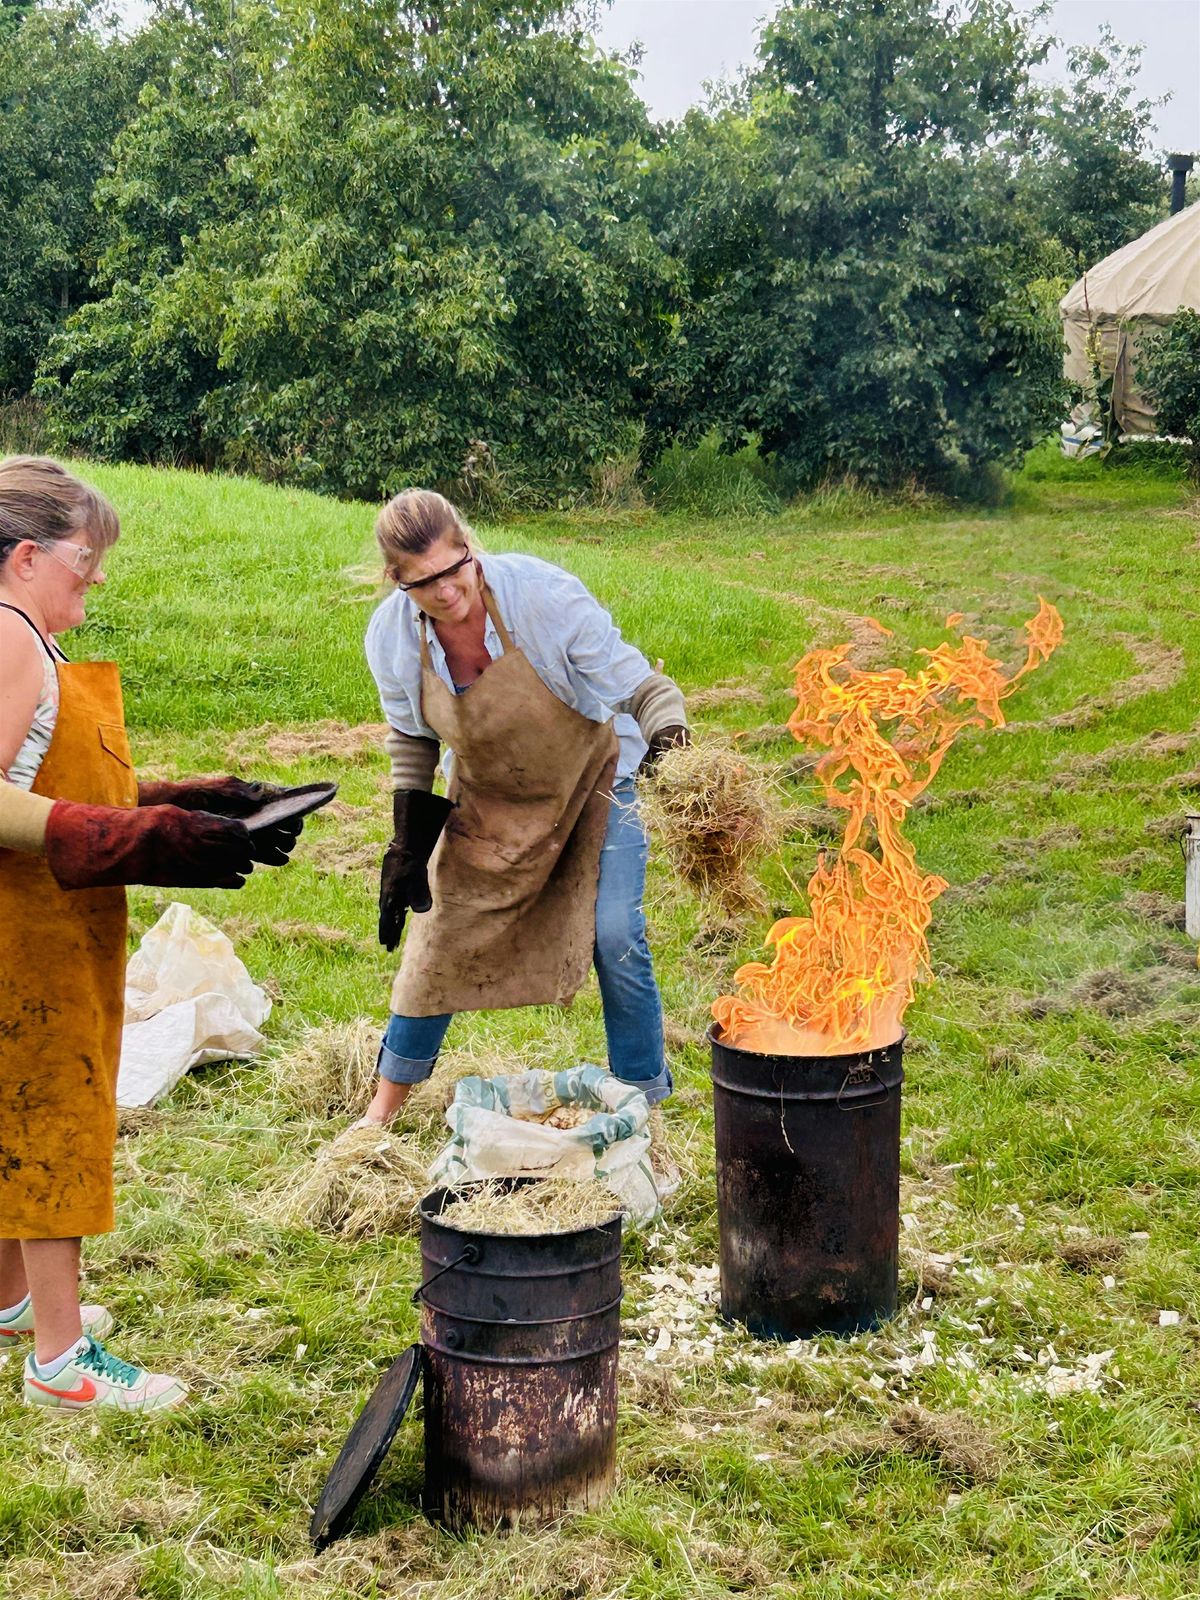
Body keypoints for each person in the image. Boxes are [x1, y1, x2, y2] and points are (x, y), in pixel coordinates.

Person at [0, 455, 303, 1413]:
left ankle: (10, 1302)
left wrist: (187, 802)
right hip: (24, 932)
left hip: (57, 920)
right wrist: (124, 835)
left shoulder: (31, 642)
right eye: (83, 558)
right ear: (25, 557)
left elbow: (56, 774)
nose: (95, 576)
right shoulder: (7, 635)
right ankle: (61, 1364)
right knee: (53, 1120)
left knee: (18, 1111)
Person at [358, 488, 689, 1128]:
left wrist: (669, 734)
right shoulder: (392, 637)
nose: (446, 591)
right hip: (490, 798)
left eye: (454, 569)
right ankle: (380, 1114)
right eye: (423, 582)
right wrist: (407, 844)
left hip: (594, 783)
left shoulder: (544, 597)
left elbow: (638, 687)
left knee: (616, 935)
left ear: (467, 547)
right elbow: (413, 739)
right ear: (397, 579)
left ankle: (642, 1103)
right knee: (437, 939)